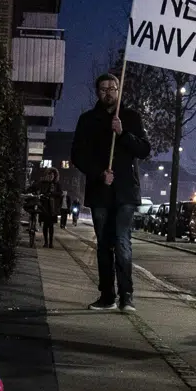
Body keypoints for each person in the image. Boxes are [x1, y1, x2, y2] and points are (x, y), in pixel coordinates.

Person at [70, 72, 151, 311]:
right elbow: (77, 155)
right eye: (104, 89)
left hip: (125, 191)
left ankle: (127, 296)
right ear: (97, 92)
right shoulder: (87, 120)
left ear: (119, 90)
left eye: (112, 88)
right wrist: (98, 173)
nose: (108, 92)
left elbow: (144, 150)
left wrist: (123, 133)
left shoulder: (131, 117)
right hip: (100, 191)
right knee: (104, 244)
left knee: (122, 242)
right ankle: (107, 296)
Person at [36, 168, 63, 249]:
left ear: (55, 176)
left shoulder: (57, 184)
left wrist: (52, 194)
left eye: (52, 175)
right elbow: (40, 191)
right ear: (47, 175)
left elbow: (60, 193)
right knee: (45, 225)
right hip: (45, 206)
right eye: (50, 175)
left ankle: (51, 243)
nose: (51, 176)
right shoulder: (43, 183)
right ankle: (46, 242)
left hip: (53, 208)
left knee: (51, 225)